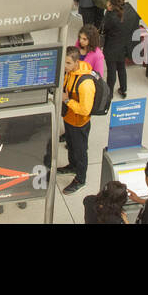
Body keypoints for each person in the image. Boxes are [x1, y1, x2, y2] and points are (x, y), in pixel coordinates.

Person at [57, 47, 95, 194]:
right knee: (71, 146)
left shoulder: (85, 84)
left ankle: (80, 179)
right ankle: (72, 166)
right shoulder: (70, 73)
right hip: (69, 118)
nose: (64, 66)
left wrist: (67, 101)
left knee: (80, 152)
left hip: (80, 122)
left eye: (68, 63)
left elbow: (85, 109)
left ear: (76, 62)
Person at [101, 0, 139, 100]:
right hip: (124, 47)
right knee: (121, 68)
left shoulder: (111, 16)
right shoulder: (131, 10)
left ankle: (110, 93)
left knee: (111, 71)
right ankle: (123, 89)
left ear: (111, 3)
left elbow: (104, 29)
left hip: (111, 48)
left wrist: (107, 11)